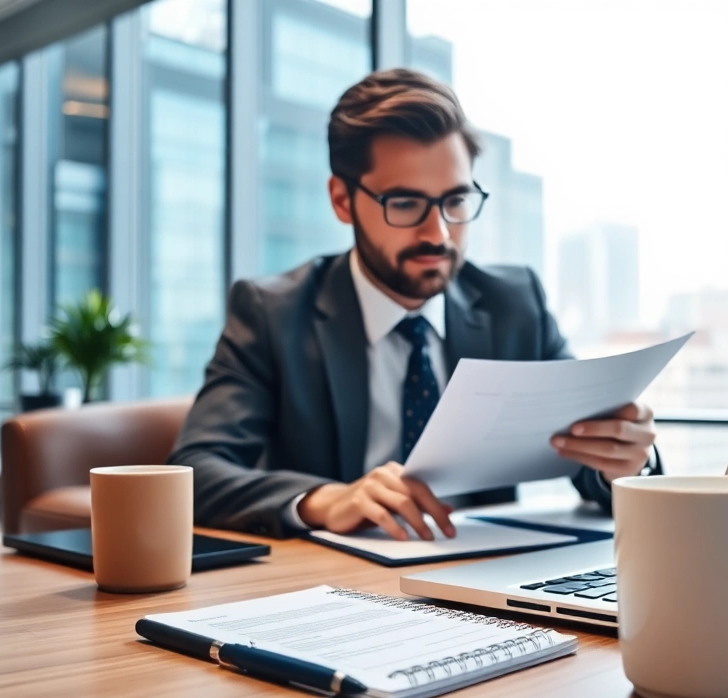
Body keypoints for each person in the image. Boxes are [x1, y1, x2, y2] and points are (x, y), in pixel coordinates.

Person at [169, 68, 659, 541]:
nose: (438, 233)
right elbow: (193, 472)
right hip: (336, 586)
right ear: (342, 200)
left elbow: (584, 456)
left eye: (456, 201)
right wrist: (324, 500)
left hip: (487, 576)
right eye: (404, 204)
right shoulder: (273, 314)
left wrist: (627, 462)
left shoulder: (514, 304)